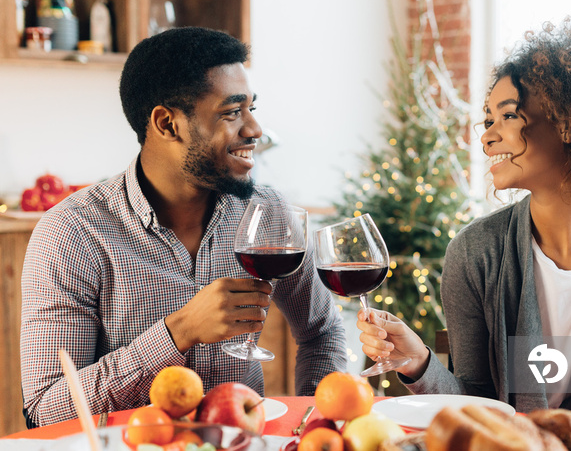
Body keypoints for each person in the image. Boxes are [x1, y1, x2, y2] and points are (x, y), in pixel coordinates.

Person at [21, 27, 347, 428]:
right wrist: (177, 333)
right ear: (166, 123)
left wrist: (315, 423)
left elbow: (322, 331)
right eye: (231, 112)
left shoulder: (270, 214)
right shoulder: (72, 234)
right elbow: (46, 407)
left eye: (251, 109)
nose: (254, 130)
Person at [357, 19, 571, 418]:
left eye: (507, 116)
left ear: (568, 123)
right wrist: (418, 361)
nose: (487, 136)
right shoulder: (474, 254)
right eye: (488, 119)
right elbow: (473, 402)